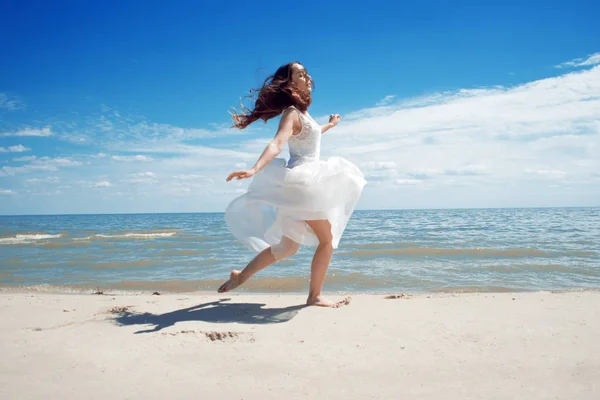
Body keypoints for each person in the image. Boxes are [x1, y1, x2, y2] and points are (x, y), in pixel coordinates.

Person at [218, 61, 366, 307]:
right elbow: (277, 143)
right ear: (288, 82)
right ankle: (314, 296)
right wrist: (255, 168)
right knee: (327, 240)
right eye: (300, 74)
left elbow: (314, 133)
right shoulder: (291, 113)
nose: (307, 77)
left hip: (302, 184)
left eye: (307, 73)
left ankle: (240, 276)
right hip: (303, 182)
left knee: (288, 248)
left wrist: (331, 124)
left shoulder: (304, 115)